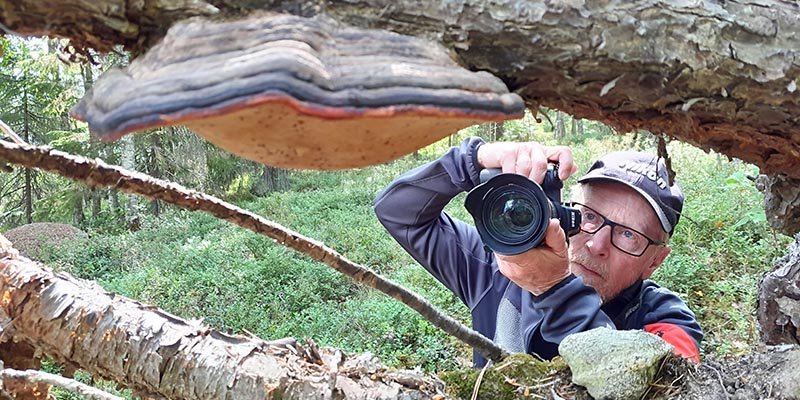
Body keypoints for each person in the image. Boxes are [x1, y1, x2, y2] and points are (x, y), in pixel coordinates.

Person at [373, 137, 702, 367]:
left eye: (629, 235)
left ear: (655, 261)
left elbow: (654, 386)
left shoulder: (667, 320)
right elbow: (398, 212)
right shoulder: (501, 269)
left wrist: (554, 290)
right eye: (588, 217)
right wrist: (473, 160)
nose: (596, 245)